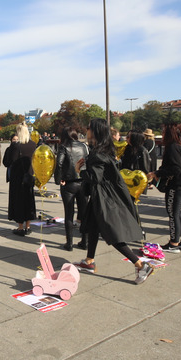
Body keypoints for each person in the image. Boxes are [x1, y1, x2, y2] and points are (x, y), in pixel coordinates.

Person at [73, 118, 156, 284]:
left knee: (112, 233)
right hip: (103, 197)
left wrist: (79, 171)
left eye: (89, 128)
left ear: (95, 131)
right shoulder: (105, 149)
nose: (87, 130)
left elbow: (95, 178)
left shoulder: (97, 153)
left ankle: (140, 265)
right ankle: (89, 261)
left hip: (103, 199)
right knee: (92, 227)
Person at [149, 123, 181, 253]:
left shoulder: (173, 147)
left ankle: (174, 243)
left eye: (164, 132)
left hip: (177, 184)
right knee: (177, 211)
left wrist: (157, 173)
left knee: (172, 212)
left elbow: (176, 168)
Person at [54, 127, 89, 251]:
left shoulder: (64, 147)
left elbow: (59, 163)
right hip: (83, 181)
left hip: (69, 182)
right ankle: (85, 241)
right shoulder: (84, 146)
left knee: (69, 213)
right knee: (84, 213)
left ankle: (69, 243)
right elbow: (88, 160)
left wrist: (59, 179)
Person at [3, 123, 37, 236]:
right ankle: (28, 225)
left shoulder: (16, 146)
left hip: (17, 178)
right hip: (29, 176)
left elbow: (9, 161)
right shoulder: (33, 144)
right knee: (29, 201)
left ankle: (20, 227)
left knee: (18, 202)